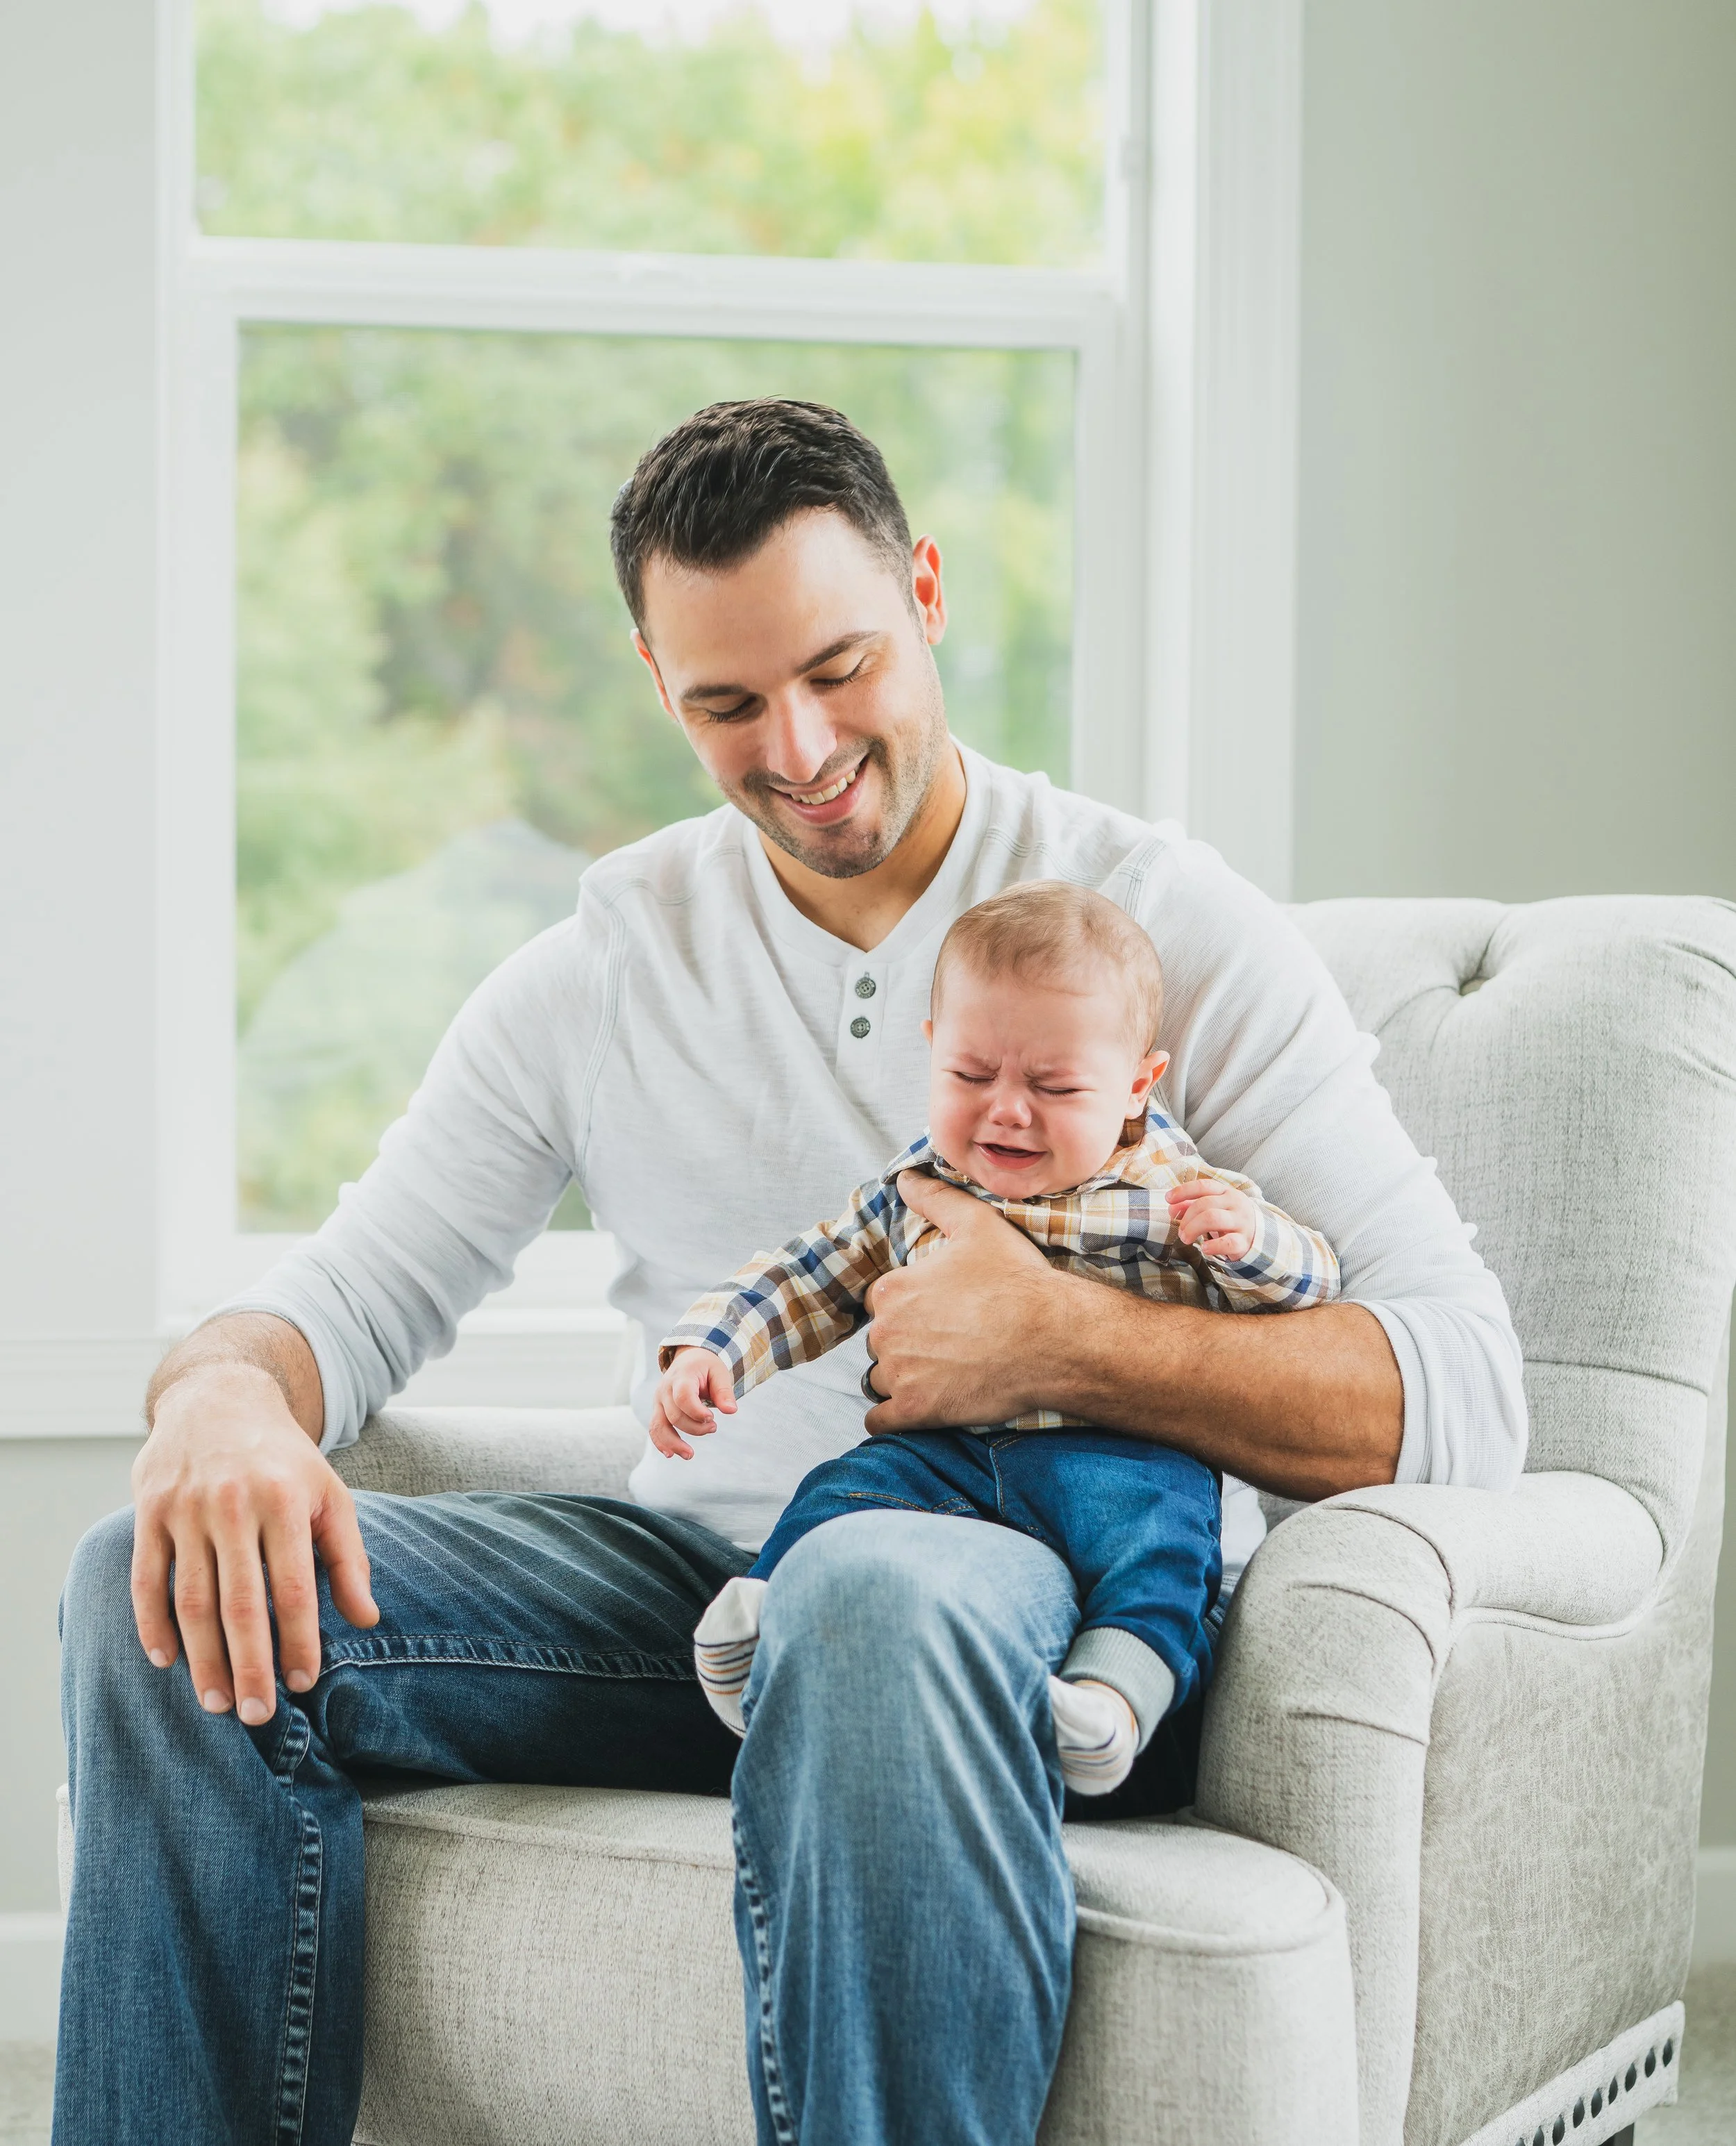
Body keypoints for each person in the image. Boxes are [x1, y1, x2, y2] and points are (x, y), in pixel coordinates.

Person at [54, 398, 1526, 2146]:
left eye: (840, 666)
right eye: (728, 703)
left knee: (865, 1591)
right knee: (156, 1597)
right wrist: (220, 1398)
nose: (803, 745)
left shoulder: (1159, 931)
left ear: (921, 593)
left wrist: (1067, 1337)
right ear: (652, 678)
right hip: (684, 1607)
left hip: (1020, 1605)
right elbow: (350, 1298)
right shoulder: (608, 964)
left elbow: (1465, 1396)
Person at [662, 879, 1340, 1795]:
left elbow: (1310, 1285)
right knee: (848, 1485)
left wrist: (1251, 1245)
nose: (1005, 1111)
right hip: (945, 1455)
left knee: (1168, 1553)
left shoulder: (1172, 1189)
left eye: (1055, 1086)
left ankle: (1113, 1702)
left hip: (1121, 1461)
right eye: (970, 1076)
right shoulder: (917, 1185)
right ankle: (766, 1617)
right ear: (933, 1049)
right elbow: (806, 1275)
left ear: (1138, 1083)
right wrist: (710, 1349)